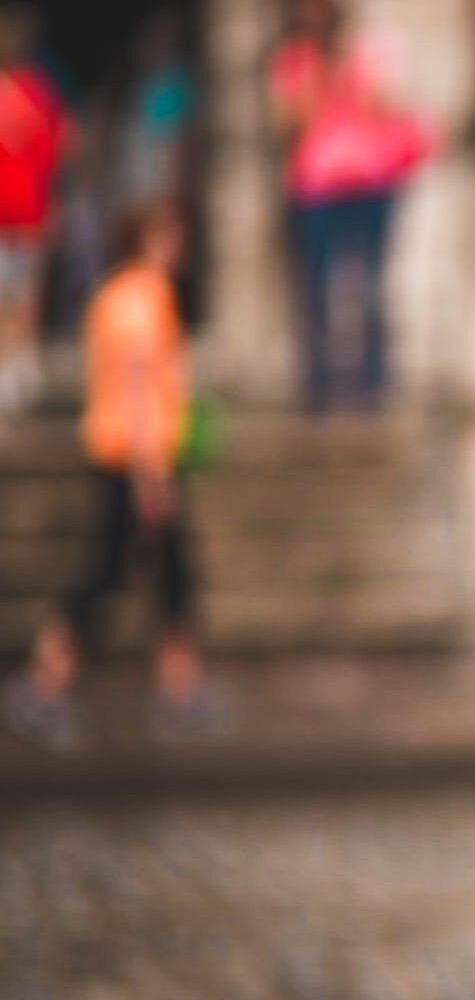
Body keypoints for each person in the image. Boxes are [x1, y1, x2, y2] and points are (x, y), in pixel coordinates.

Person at [4, 206, 207, 749]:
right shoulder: (144, 297)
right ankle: (45, 681)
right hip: (136, 456)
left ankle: (178, 681)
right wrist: (151, 475)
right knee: (112, 573)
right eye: (170, 234)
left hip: (119, 449)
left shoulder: (114, 294)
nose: (179, 246)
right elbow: (140, 384)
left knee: (169, 572)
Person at [267, 0, 427, 414]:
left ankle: (373, 383)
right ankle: (318, 386)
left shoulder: (365, 53)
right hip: (316, 189)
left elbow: (388, 105)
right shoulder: (294, 61)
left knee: (372, 288)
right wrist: (316, 84)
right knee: (315, 291)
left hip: (370, 184)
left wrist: (359, 78)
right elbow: (288, 124)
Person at [0, 4, 69, 413]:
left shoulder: (37, 91)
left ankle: (21, 361)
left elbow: (56, 144)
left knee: (25, 293)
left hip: (29, 212)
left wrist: (52, 201)